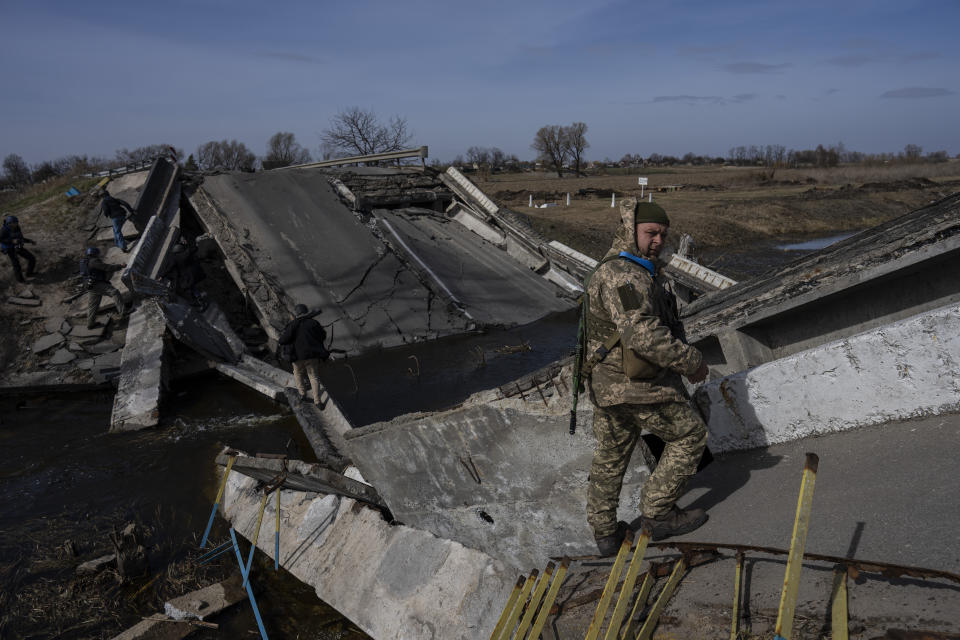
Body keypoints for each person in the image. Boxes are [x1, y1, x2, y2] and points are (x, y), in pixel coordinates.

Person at [584, 198, 710, 555]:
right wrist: (691, 361)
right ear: (630, 229)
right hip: (636, 386)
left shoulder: (621, 268)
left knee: (610, 457)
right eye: (650, 232)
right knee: (690, 434)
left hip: (607, 387)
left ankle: (606, 535)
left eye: (662, 234)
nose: (657, 240)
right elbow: (641, 334)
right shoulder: (625, 275)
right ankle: (658, 514)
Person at [279, 304, 329, 404]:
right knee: (314, 377)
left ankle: (302, 394)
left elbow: (283, 340)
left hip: (297, 357)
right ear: (306, 312)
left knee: (297, 373)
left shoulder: (292, 325)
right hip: (312, 355)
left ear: (296, 313)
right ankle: (317, 401)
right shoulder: (314, 323)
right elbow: (323, 336)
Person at [82, 247, 126, 329]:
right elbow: (107, 268)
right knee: (114, 292)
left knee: (93, 306)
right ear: (95, 254)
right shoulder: (94, 261)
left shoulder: (84, 261)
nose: (99, 255)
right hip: (97, 284)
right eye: (97, 254)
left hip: (90, 286)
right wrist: (120, 266)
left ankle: (90, 324)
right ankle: (123, 313)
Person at [161, 241, 207, 309]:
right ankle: (199, 299)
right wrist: (187, 244)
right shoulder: (187, 253)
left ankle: (198, 303)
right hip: (194, 274)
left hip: (186, 277)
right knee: (192, 287)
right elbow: (194, 248)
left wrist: (162, 276)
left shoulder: (175, 258)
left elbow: (169, 268)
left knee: (186, 288)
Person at [1, 215, 37, 283]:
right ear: (9, 223)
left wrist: (30, 241)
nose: (16, 224)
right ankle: (21, 280)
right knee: (16, 264)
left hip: (18, 246)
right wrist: (11, 241)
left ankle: (29, 273)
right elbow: (1, 240)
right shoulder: (4, 230)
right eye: (14, 223)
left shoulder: (17, 227)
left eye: (16, 222)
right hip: (9, 248)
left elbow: (20, 237)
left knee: (32, 258)